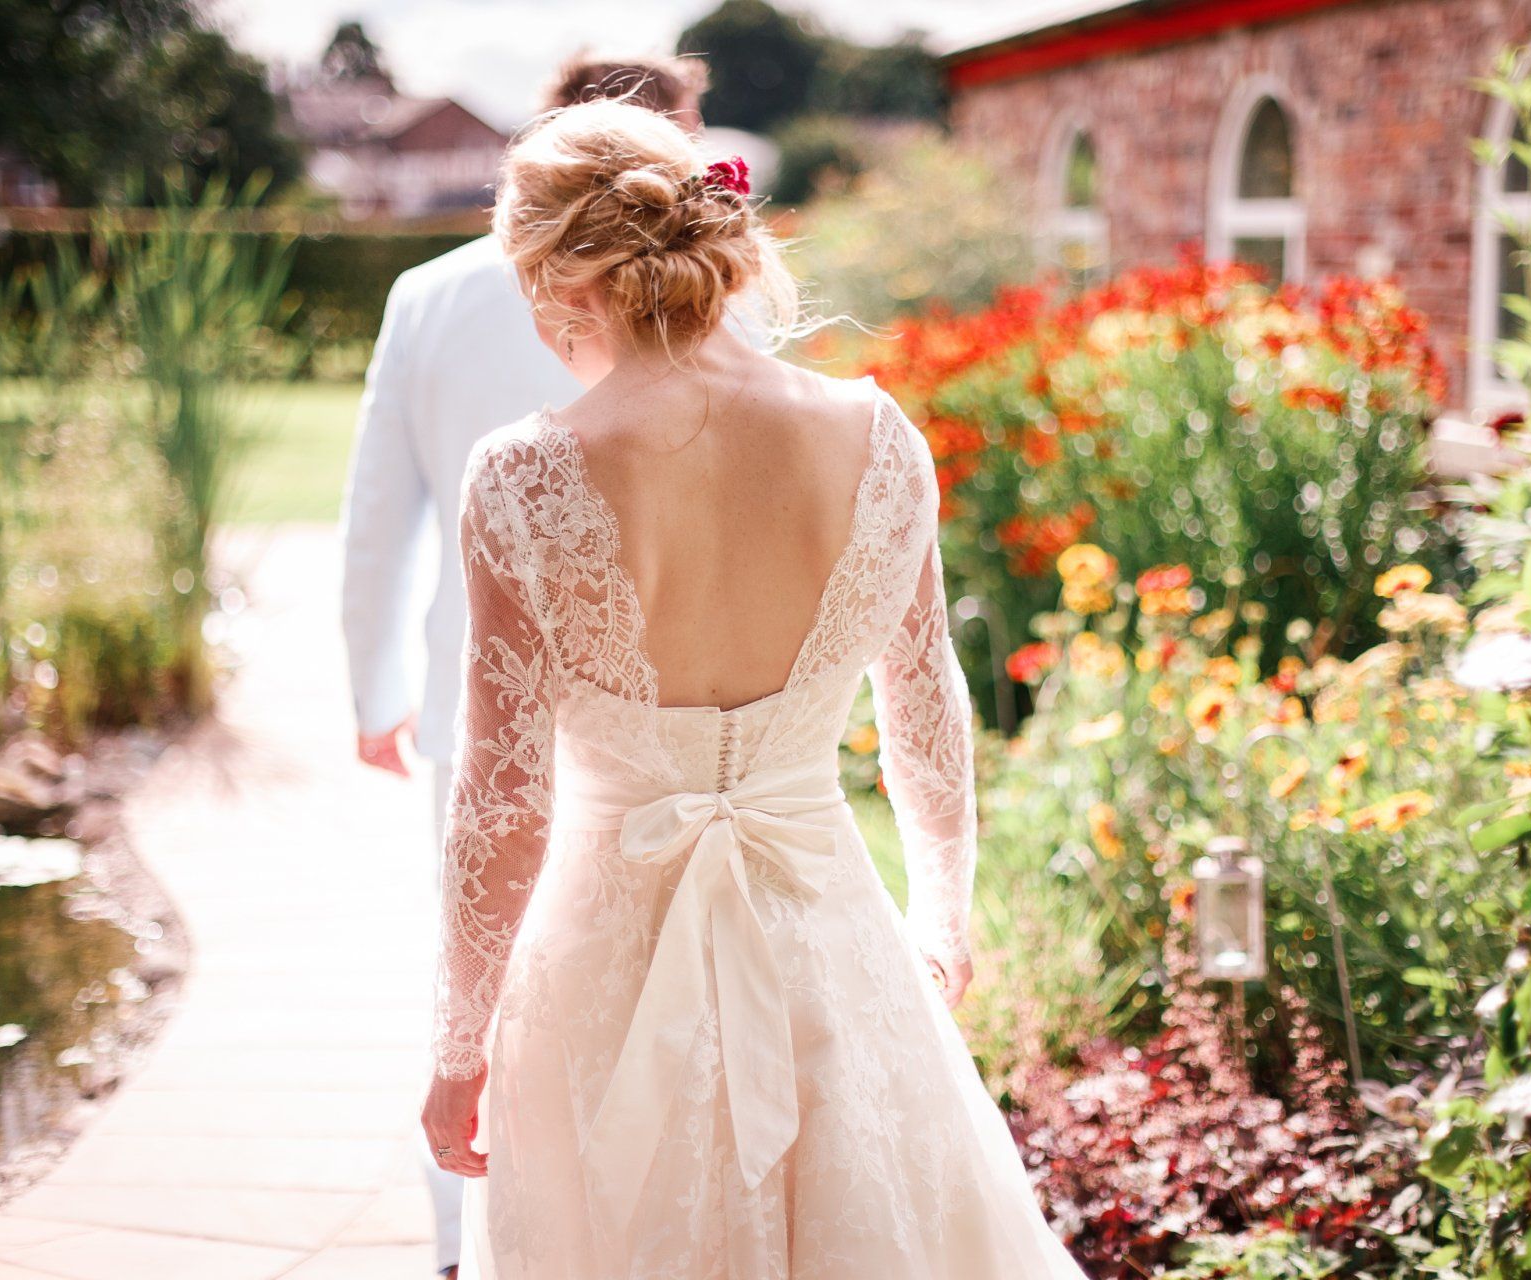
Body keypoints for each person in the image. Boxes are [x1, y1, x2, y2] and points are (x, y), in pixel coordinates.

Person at [418, 99, 1090, 1278]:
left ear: (556, 278)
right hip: (828, 935)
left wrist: (460, 1045)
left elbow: (502, 801)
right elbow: (925, 715)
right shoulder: (878, 437)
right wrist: (943, 912)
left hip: (599, 976)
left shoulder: (521, 477)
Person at [339, 53, 709, 1280]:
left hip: (471, 690)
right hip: (670, 707)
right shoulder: (721, 299)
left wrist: (374, 689)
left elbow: (377, 512)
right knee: (648, 980)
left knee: (478, 950)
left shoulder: (427, 293)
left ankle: (473, 1237)